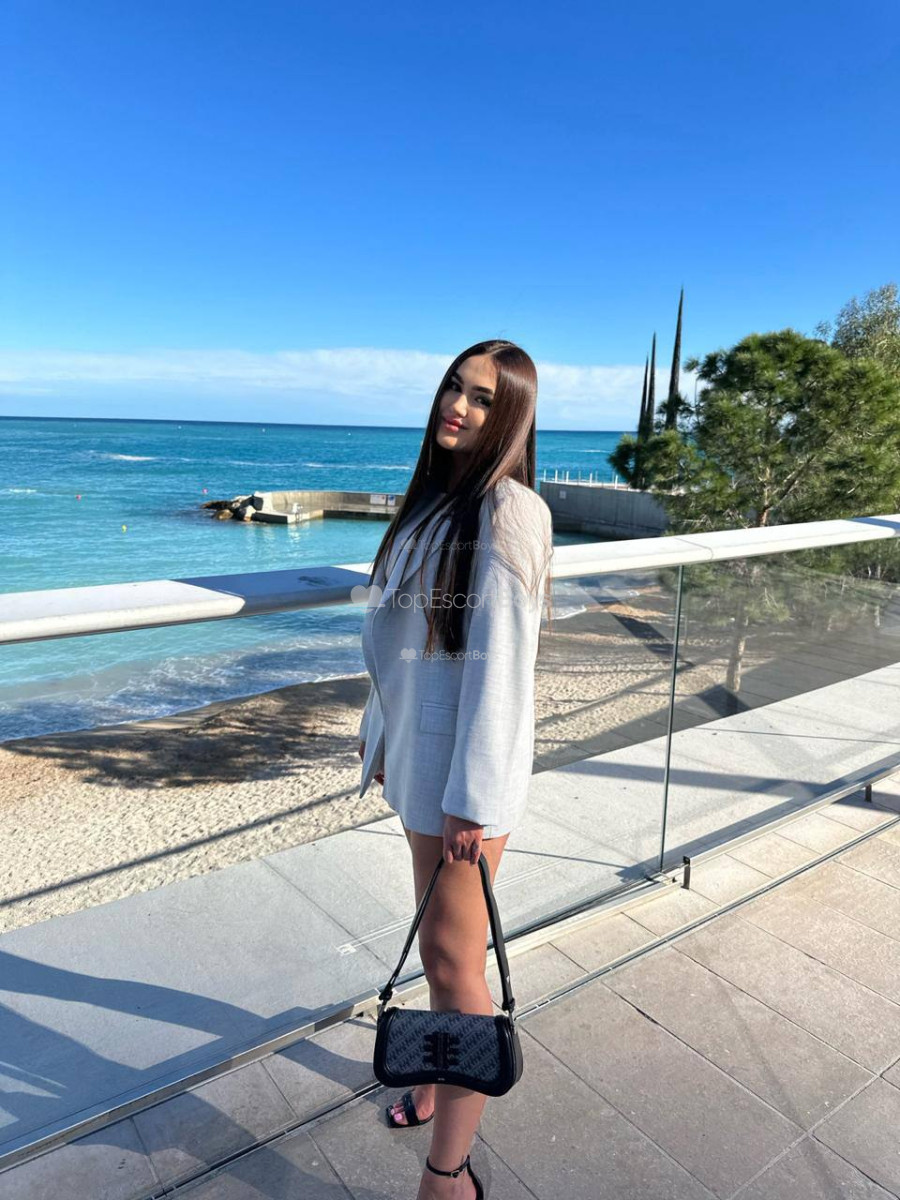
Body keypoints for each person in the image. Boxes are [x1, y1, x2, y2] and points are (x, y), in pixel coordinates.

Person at [357, 340, 554, 1200]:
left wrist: (473, 803)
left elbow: (502, 672)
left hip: (462, 789)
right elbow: (409, 647)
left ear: (508, 417)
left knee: (453, 960)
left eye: (480, 398)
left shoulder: (509, 512)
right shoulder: (439, 502)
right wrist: (383, 742)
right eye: (452, 386)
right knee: (442, 951)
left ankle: (450, 1173)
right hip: (424, 768)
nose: (458, 406)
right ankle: (438, 1084)